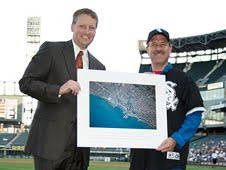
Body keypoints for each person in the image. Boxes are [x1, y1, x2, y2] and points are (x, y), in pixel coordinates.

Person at [19, 8, 105, 170]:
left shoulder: (99, 67)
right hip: (50, 144)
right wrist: (58, 89)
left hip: (80, 150)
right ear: (72, 26)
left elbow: (97, 108)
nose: (87, 31)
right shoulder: (51, 50)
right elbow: (26, 83)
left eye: (92, 27)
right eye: (82, 26)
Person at [130, 28, 205, 170]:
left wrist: (176, 139)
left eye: (163, 44)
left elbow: (194, 115)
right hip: (140, 157)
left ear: (170, 48)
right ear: (147, 49)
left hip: (170, 157)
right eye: (154, 44)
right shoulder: (139, 81)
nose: (158, 48)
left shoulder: (184, 80)